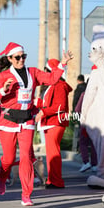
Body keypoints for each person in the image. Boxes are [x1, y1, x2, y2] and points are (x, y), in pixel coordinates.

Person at [0, 42, 73, 206]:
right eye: (17, 57)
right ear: (10, 59)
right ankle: (2, 174)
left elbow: (52, 78)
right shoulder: (3, 76)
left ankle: (26, 194)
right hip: (9, 120)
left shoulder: (33, 72)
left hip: (27, 119)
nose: (21, 60)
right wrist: (3, 91)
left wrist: (63, 63)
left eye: (23, 56)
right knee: (9, 158)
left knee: (26, 157)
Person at [35, 59, 72, 189]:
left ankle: (56, 181)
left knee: (53, 153)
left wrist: (43, 112)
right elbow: (50, 104)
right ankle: (52, 180)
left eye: (46, 71)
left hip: (54, 122)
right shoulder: (53, 85)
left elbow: (60, 106)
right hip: (50, 122)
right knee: (51, 153)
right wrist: (37, 103)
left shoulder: (59, 85)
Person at [75, 91, 97, 172]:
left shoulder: (84, 94)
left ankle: (86, 162)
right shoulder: (100, 94)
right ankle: (95, 164)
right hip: (97, 123)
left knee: (83, 142)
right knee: (94, 143)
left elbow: (77, 109)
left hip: (86, 121)